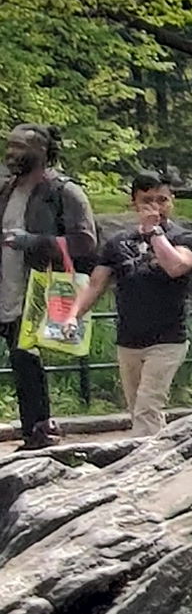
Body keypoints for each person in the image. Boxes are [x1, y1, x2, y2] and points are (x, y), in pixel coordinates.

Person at [68, 172, 192, 440]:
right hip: (129, 340)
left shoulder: (185, 238)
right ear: (134, 204)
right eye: (147, 201)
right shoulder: (118, 243)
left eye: (162, 200)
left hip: (168, 340)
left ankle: (145, 460)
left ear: (172, 201)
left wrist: (154, 233)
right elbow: (96, 284)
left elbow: (176, 266)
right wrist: (73, 315)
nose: (156, 207)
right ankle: (165, 450)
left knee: (147, 406)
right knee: (138, 409)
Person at [2, 120, 95, 452]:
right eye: (9, 145)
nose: (10, 152)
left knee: (27, 364)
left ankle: (38, 433)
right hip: (4, 286)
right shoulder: (6, 189)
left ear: (41, 150)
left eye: (19, 146)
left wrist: (34, 242)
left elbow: (85, 242)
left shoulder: (64, 192)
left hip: (36, 291)